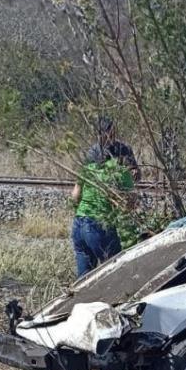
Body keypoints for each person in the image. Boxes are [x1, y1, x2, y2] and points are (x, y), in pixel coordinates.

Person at [70, 116, 136, 277]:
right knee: (115, 273)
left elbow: (75, 196)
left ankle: (83, 301)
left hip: (79, 224)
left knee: (84, 279)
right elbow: (129, 205)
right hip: (100, 227)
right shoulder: (121, 172)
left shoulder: (89, 168)